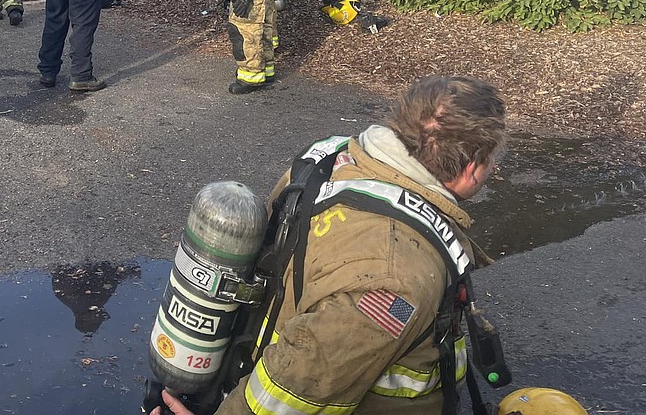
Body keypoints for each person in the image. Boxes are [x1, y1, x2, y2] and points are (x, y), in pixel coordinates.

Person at [151, 74, 508, 415]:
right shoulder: (398, 279)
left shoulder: (330, 159)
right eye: (492, 160)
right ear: (473, 167)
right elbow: (299, 386)